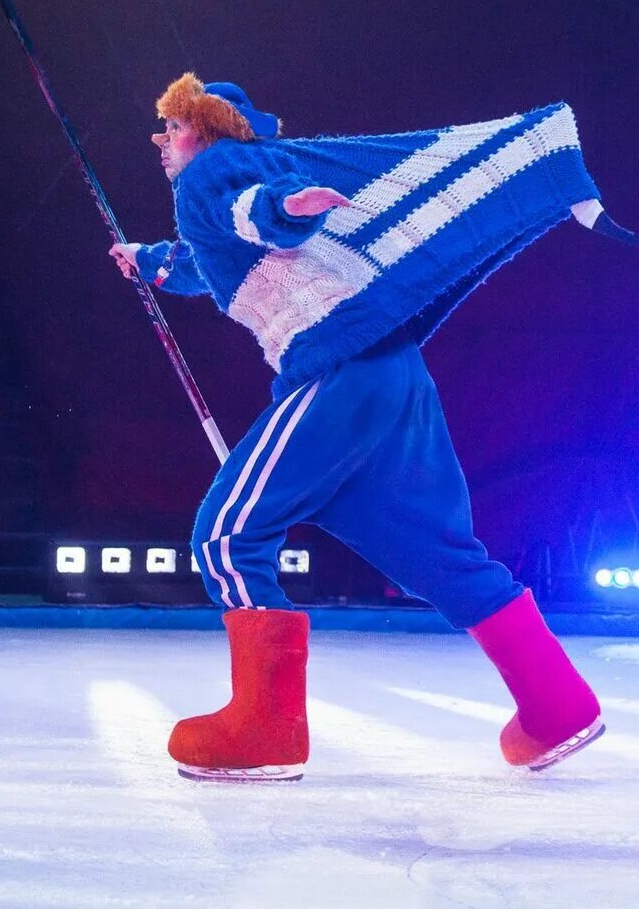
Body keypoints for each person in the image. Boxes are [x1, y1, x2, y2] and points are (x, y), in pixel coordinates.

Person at [109, 73, 604, 782]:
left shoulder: (212, 172)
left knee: (226, 533)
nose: (162, 143)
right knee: (442, 556)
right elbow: (213, 256)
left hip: (339, 372)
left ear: (202, 128)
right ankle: (556, 703)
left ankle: (265, 730)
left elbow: (252, 206)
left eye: (170, 129)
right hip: (392, 374)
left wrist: (287, 207)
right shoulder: (208, 207)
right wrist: (151, 263)